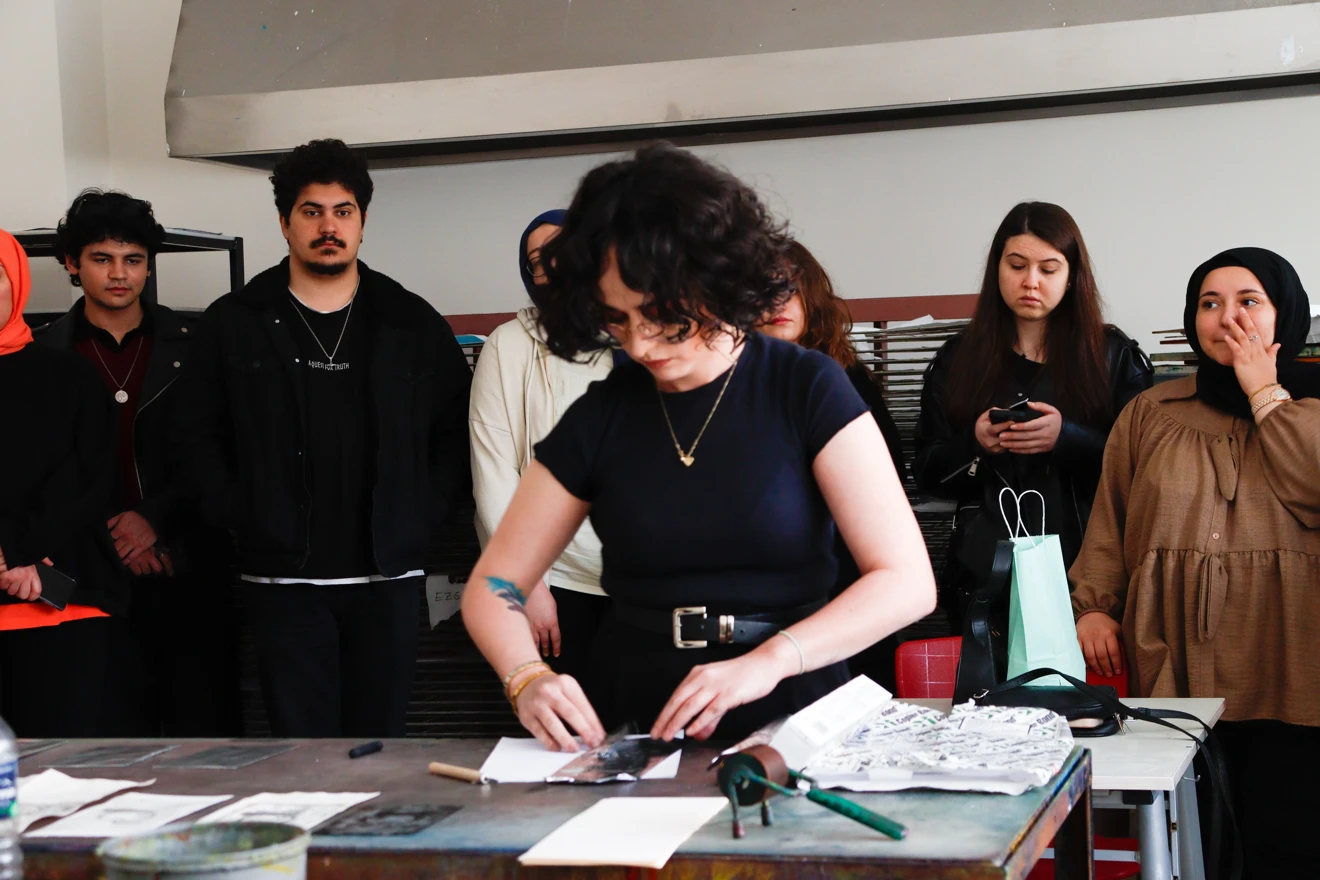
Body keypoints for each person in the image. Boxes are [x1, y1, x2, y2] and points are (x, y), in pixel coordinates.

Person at [461, 144, 936, 751]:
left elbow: (906, 581)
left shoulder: (806, 387)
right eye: (617, 319)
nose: (640, 345)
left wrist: (770, 660)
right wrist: (526, 677)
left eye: (660, 316)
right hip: (637, 715)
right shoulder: (603, 415)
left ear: (716, 278)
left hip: (790, 708)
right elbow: (494, 586)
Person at [180, 138, 473, 737]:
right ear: (284, 222)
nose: (328, 227)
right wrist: (240, 511)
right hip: (282, 580)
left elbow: (453, 435)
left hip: (387, 578)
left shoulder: (411, 321)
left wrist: (423, 513)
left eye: (343, 211)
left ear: (363, 221)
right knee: (301, 758)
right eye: (311, 211)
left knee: (380, 751)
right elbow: (195, 435)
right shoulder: (233, 322)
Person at [1072, 248, 1320, 878]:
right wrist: (1094, 607)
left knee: (1292, 834)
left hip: (1290, 650)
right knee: (1190, 837)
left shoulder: (1313, 402)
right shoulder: (1151, 411)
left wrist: (1264, 390)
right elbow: (1111, 518)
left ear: (1286, 315)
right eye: (1210, 303)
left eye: (1249, 301)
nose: (1228, 317)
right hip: (1176, 651)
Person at [36, 189, 240, 737]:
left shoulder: (196, 347)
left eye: (133, 259)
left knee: (204, 740)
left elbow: (224, 455)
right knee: (102, 743)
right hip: (83, 580)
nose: (119, 274)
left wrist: (155, 522)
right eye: (102, 259)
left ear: (149, 266)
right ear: (72, 263)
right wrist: (114, 541)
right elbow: (40, 475)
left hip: (188, 566)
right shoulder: (43, 355)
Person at [912, 201, 1152, 639]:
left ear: (1071, 275)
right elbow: (926, 473)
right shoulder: (958, 358)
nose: (1031, 282)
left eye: (1048, 268)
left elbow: (1146, 469)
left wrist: (1068, 438)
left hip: (1087, 584)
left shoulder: (1113, 356)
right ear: (997, 269)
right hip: (984, 579)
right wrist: (975, 444)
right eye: (1017, 265)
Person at [469, 209, 613, 688]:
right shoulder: (508, 346)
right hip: (559, 582)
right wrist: (527, 586)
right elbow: (493, 475)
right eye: (537, 261)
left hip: (645, 584)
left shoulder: (643, 339)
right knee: (564, 726)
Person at [758, 238, 905, 690]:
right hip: (765, 588)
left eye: (792, 288)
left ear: (812, 297)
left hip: (850, 573)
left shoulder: (848, 379)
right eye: (764, 290)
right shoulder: (729, 387)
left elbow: (890, 484)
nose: (779, 303)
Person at [0, 230, 127, 736]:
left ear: (17, 281)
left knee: (60, 773)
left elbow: (88, 480)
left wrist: (18, 552)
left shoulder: (68, 376)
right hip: (22, 573)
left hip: (59, 603)